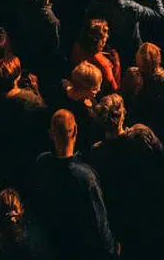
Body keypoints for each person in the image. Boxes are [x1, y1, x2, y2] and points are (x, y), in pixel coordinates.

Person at [29, 109, 116, 259]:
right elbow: (99, 222)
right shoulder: (86, 177)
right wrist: (112, 248)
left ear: (50, 134)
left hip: (52, 248)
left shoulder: (42, 164)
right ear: (75, 130)